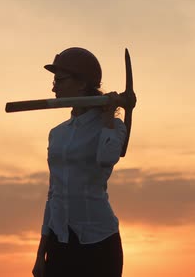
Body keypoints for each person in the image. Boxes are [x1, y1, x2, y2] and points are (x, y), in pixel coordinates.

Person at [32, 47, 126, 277]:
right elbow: (54, 194)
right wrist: (40, 254)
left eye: (60, 80)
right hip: (59, 241)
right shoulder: (57, 134)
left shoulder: (113, 127)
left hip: (99, 242)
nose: (54, 87)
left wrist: (108, 117)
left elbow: (106, 159)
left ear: (82, 84)